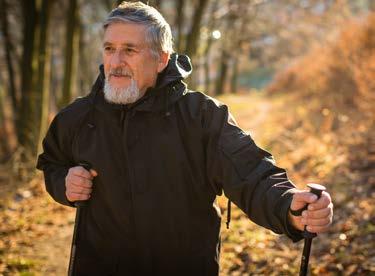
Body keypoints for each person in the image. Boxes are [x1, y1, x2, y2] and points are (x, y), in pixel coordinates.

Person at [36, 2, 333, 275]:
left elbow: (251, 174)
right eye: (110, 49)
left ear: (161, 59)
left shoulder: (202, 117)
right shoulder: (78, 117)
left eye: (130, 50)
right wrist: (63, 183)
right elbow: (52, 162)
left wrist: (289, 206)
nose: (116, 62)